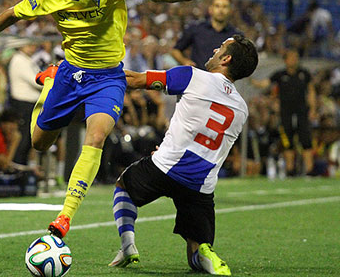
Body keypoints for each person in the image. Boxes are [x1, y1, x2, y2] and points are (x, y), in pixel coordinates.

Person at [0, 0, 208, 238]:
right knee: (39, 143)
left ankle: (65, 216)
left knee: (97, 135)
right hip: (69, 74)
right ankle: (49, 81)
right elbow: (11, 14)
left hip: (107, 78)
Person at [109, 35, 258, 275]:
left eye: (220, 48)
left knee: (123, 184)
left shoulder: (192, 75)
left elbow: (135, 80)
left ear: (226, 58)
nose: (214, 49)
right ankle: (205, 254)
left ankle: (128, 246)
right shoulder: (241, 108)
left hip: (165, 167)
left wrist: (96, 73)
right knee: (195, 255)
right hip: (200, 186)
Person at [251, 49, 317, 175]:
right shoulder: (280, 75)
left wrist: (313, 109)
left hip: (302, 112)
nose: (294, 60)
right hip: (285, 112)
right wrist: (251, 80)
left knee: (306, 139)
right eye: (291, 57)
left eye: (296, 57)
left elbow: (311, 92)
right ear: (285, 60)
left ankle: (309, 170)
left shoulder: (304, 74)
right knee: (287, 140)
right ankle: (290, 170)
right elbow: (264, 84)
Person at [172, 0, 240, 70]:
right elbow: (175, 50)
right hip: (198, 77)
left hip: (222, 80)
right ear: (210, 9)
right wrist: (184, 61)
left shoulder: (236, 36)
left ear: (231, 10)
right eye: (217, 6)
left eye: (225, 7)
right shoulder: (196, 28)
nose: (221, 10)